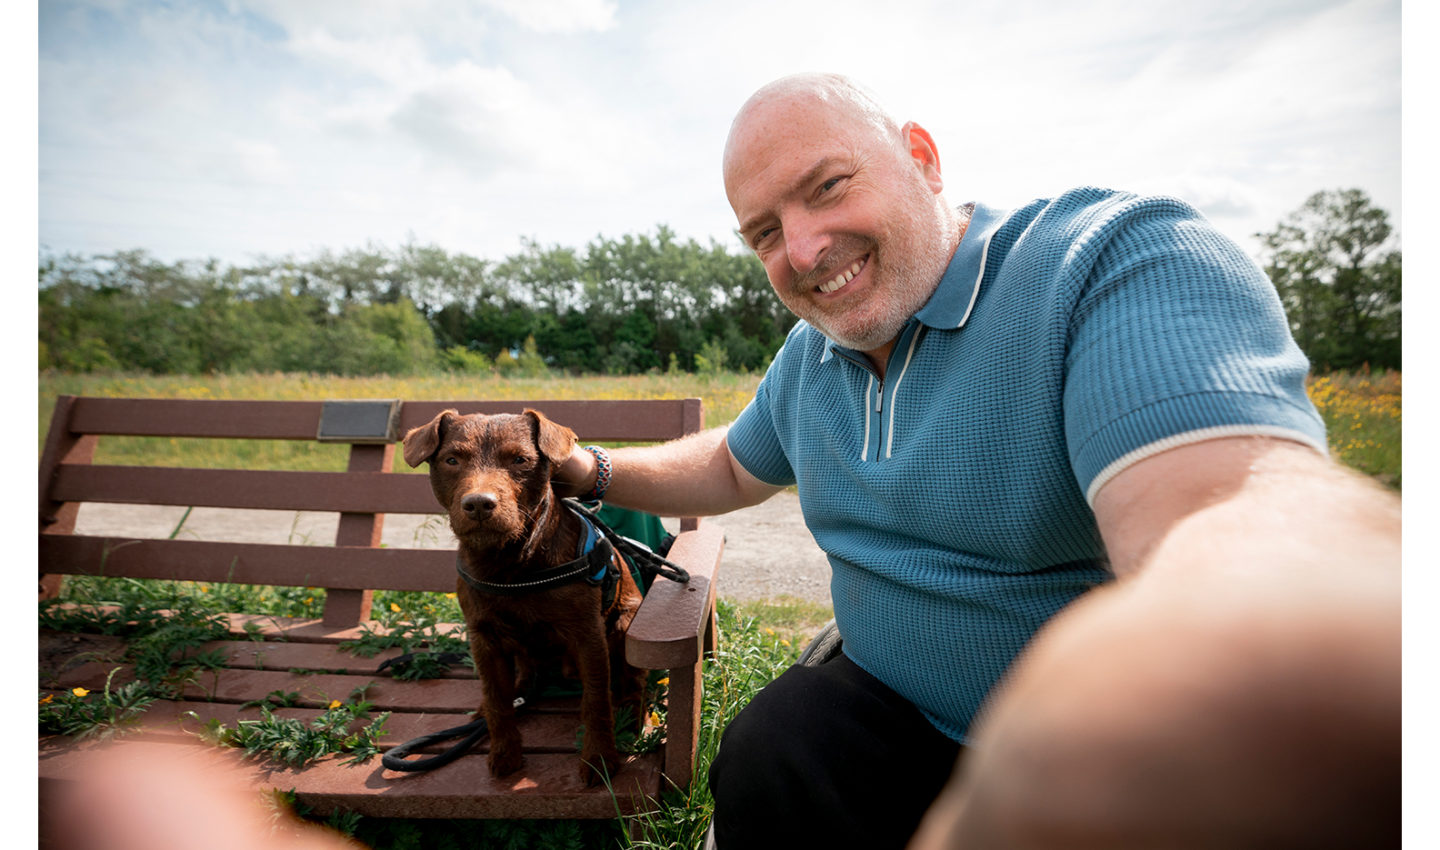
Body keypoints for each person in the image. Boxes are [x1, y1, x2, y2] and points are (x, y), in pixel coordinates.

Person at [554, 72, 1400, 848]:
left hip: (1070, 756)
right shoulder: (812, 355)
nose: (803, 251)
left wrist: (1258, 631)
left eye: (829, 186)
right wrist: (589, 470)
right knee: (765, 751)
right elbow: (736, 467)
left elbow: (1220, 509)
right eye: (765, 233)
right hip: (881, 712)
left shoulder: (1106, 264)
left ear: (922, 160)